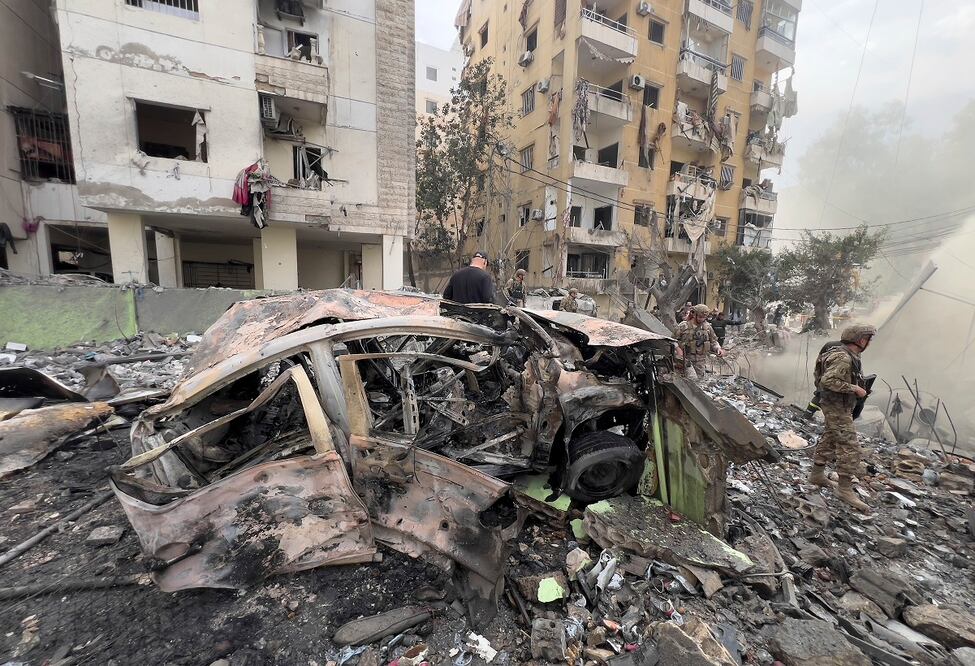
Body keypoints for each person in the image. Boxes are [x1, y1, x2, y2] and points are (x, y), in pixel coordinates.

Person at [807, 324, 876, 512]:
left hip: (840, 404)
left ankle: (817, 474)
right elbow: (828, 381)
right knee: (850, 446)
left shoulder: (849, 355)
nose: (869, 343)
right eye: (868, 339)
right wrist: (855, 388)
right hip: (835, 405)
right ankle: (844, 488)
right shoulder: (843, 357)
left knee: (830, 437)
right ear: (861, 340)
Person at [675, 304, 724, 380]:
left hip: (700, 361)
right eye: (700, 317)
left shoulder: (707, 327)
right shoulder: (683, 326)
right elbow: (673, 340)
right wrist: (678, 350)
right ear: (694, 314)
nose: (702, 319)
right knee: (689, 381)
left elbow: (713, 341)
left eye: (704, 317)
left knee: (699, 382)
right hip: (685, 360)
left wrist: (718, 348)